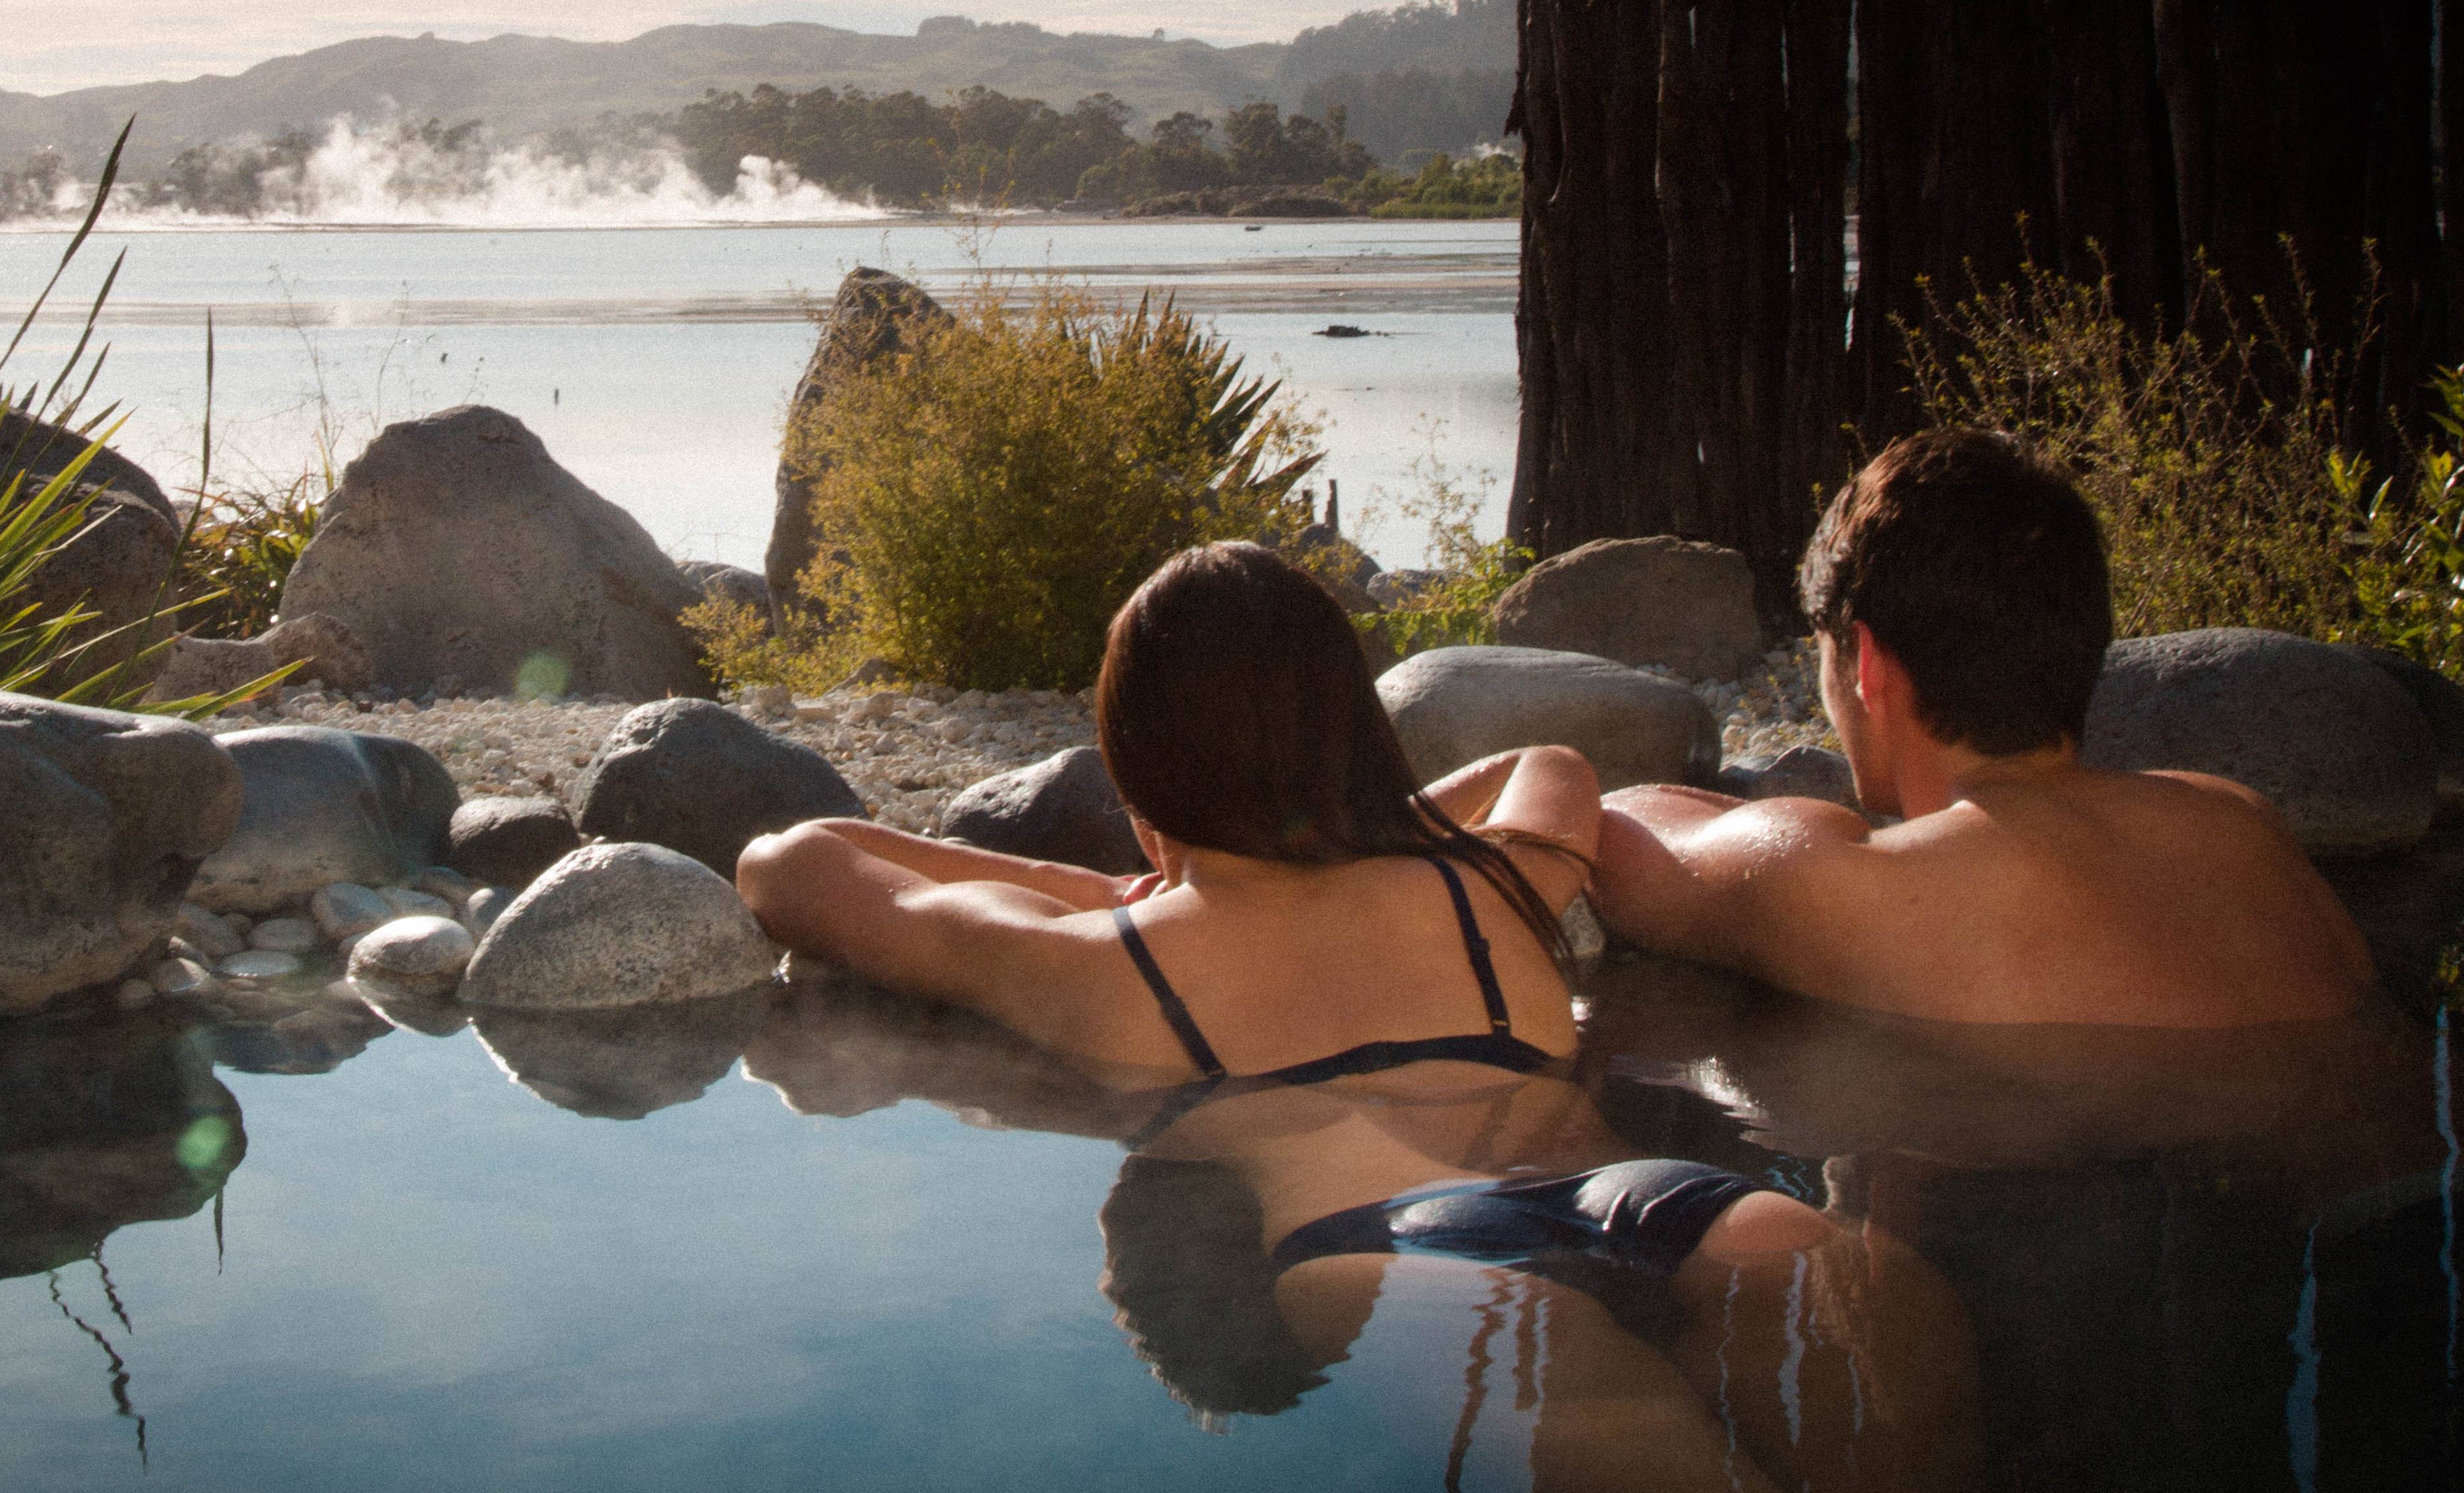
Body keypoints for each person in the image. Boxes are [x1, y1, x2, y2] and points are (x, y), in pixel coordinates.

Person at [740, 542, 1973, 1490]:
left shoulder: (1107, 962)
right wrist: (1367, 830)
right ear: (1356, 732)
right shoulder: (1487, 881)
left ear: (1137, 774)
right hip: (1666, 1195)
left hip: (1398, 1252)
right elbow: (1553, 762)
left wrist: (1116, 890)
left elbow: (793, 863)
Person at [1591, 428, 2375, 1029]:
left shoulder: (1865, 890)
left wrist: (1794, 819)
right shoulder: (2241, 822)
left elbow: (1615, 824)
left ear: (1866, 663)